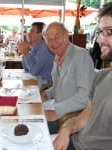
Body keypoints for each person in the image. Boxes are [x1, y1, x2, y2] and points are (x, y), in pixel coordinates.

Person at [53, 2, 112, 150]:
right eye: (99, 32)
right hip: (74, 141)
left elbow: (80, 97)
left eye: (109, 32)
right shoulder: (103, 76)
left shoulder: (81, 55)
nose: (98, 40)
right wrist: (68, 129)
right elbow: (88, 111)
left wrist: (56, 112)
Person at [41, 22, 95, 134]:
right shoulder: (58, 57)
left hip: (72, 118)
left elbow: (84, 97)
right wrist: (45, 94)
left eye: (57, 36)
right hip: (58, 109)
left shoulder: (80, 55)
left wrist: (56, 112)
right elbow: (58, 87)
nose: (53, 42)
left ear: (66, 35)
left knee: (35, 129)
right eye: (49, 39)